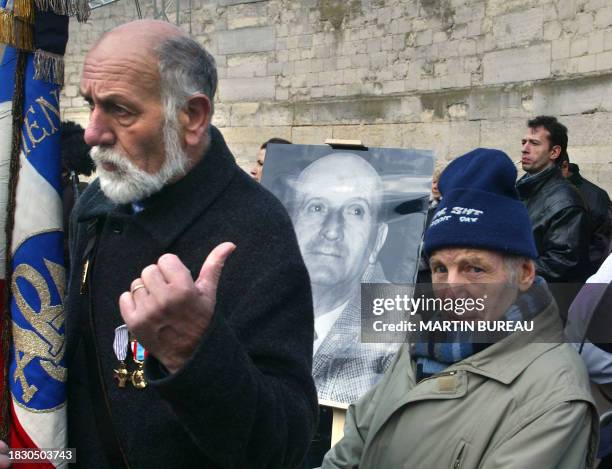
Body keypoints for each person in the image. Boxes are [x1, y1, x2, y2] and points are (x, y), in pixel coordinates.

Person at [52, 20, 316, 469]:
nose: (93, 133)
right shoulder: (95, 205)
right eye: (90, 104)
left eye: (119, 110)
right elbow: (81, 406)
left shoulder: (256, 229)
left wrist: (193, 353)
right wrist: (24, 452)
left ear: (192, 117)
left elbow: (283, 445)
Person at [322, 148, 598, 468]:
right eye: (440, 268)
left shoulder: (555, 397)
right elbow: (350, 448)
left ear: (524, 273)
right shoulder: (418, 340)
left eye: (474, 269)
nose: (451, 287)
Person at [291, 153, 394, 404]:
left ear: (377, 241)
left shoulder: (399, 329)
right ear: (290, 222)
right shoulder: (250, 301)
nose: (332, 230)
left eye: (355, 211)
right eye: (316, 207)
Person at [516, 115, 591, 283]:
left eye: (534, 143)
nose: (525, 149)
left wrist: (509, 269)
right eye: (523, 142)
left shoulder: (566, 201)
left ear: (554, 152)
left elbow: (562, 263)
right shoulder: (522, 188)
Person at [560, 155, 612, 274]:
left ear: (564, 167)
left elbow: (600, 247)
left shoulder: (596, 196)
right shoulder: (530, 191)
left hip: (577, 281)